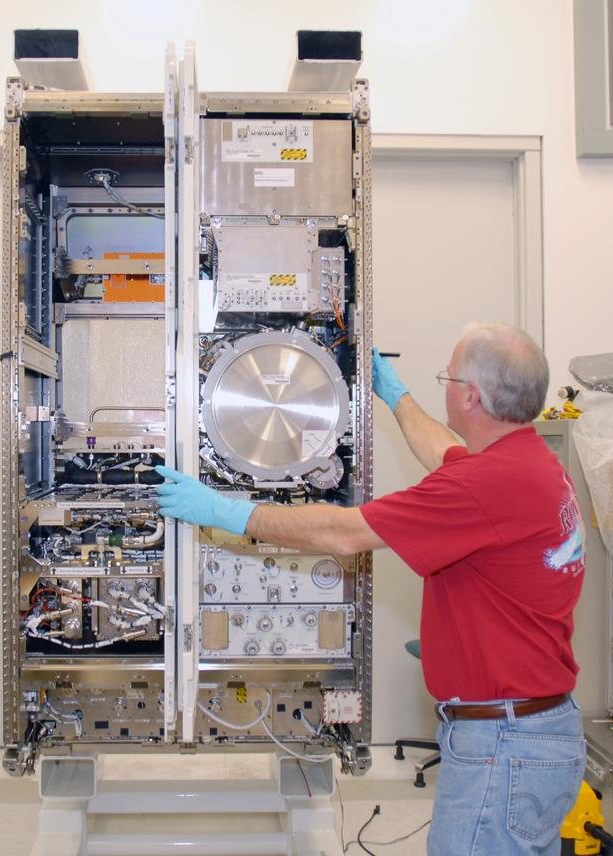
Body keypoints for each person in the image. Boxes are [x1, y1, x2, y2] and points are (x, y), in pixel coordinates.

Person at [155, 322, 587, 856]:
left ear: (471, 396)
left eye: (446, 378)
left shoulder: (484, 487)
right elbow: (443, 451)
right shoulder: (530, 465)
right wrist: (396, 394)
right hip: (532, 730)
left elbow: (343, 533)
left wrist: (225, 511)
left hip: (504, 743)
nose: (443, 386)